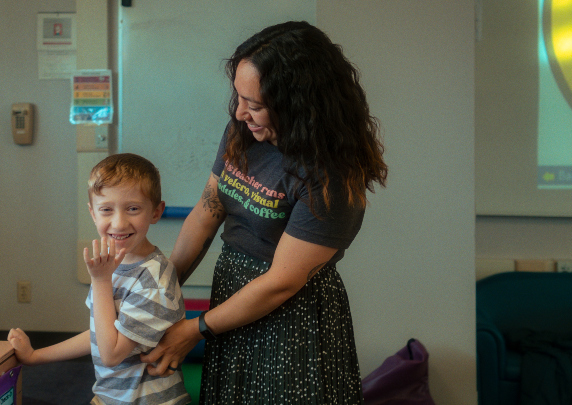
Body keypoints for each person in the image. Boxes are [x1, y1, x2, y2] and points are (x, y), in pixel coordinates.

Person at [140, 21, 388, 404]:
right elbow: (208, 210)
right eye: (238, 98)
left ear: (299, 104)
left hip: (290, 317)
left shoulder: (331, 174)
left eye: (255, 105)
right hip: (231, 301)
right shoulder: (244, 130)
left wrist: (195, 328)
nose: (240, 113)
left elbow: (282, 282)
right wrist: (161, 295)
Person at [8, 153, 191, 405]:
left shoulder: (153, 280)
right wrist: (35, 356)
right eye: (106, 209)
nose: (118, 222)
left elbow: (111, 354)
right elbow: (100, 333)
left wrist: (101, 282)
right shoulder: (110, 267)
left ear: (156, 212)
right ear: (93, 213)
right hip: (108, 398)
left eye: (133, 208)